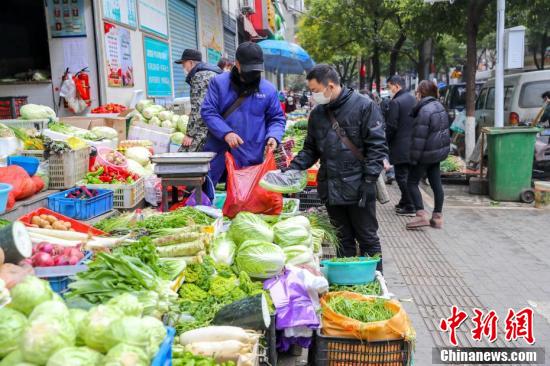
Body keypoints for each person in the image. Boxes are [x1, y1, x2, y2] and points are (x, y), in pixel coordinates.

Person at [286, 64, 388, 270]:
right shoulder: (317, 115)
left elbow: (377, 146)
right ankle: (347, 284)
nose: (313, 96)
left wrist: (369, 182)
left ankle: (376, 284)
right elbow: (310, 149)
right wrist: (292, 169)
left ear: (330, 86)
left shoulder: (364, 106)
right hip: (331, 186)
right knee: (342, 240)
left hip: (358, 186)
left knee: (367, 239)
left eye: (315, 91)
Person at [201, 42, 286, 186]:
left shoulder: (268, 89)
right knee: (213, 197)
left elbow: (276, 118)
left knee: (246, 201)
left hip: (251, 155)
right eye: (249, 70)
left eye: (256, 70)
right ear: (237, 64)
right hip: (218, 154)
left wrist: (274, 136)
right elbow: (208, 111)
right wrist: (226, 133)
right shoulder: (219, 83)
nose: (252, 75)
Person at [406, 80, 450, 230]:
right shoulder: (439, 107)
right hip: (437, 153)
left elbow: (420, 138)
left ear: (421, 93)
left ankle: (421, 215)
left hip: (425, 154)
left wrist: (413, 159)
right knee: (436, 183)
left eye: (417, 92)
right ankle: (437, 217)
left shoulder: (425, 110)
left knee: (411, 182)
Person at [175, 49, 222, 152]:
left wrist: (190, 134)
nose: (184, 68)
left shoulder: (199, 76)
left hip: (207, 126)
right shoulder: (212, 73)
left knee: (185, 155)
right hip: (218, 123)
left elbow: (199, 107)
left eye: (184, 65)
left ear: (191, 62)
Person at [386, 75, 416, 216]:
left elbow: (391, 126)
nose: (389, 89)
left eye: (389, 86)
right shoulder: (413, 99)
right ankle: (404, 201)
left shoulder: (396, 102)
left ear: (397, 86)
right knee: (409, 175)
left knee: (401, 176)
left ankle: (410, 205)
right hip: (414, 144)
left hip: (400, 145)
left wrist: (385, 140)